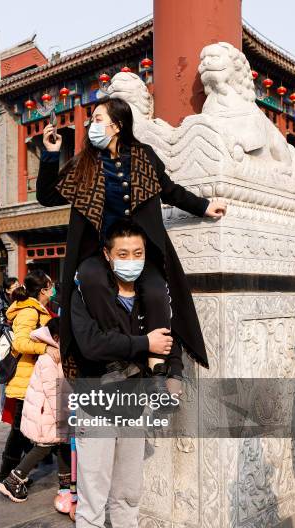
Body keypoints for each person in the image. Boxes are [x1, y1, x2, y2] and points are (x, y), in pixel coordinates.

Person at [36, 96, 227, 389]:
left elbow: (170, 190)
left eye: (98, 119)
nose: (91, 125)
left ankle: (160, 361)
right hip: (100, 251)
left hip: (141, 250)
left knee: (155, 291)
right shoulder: (84, 163)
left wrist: (203, 207)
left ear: (117, 125)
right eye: (92, 120)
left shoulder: (143, 156)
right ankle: (116, 360)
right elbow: (47, 196)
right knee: (90, 278)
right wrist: (51, 153)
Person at [70, 221, 173, 528]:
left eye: (138, 254)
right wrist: (142, 344)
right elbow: (91, 344)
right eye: (123, 254)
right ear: (108, 256)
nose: (131, 261)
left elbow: (167, 341)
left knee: (129, 486)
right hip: (96, 403)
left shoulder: (149, 295)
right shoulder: (89, 294)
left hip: (133, 402)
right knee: (93, 497)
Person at [0, 317, 71, 505]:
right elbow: (53, 391)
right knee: (43, 447)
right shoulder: (48, 359)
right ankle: (13, 479)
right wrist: (62, 417)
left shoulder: (56, 355)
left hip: (49, 411)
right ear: (56, 337)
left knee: (62, 444)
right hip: (46, 412)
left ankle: (66, 485)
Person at [0, 270, 57, 484]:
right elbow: (20, 343)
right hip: (25, 377)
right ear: (43, 289)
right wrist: (45, 349)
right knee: (19, 430)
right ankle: (6, 475)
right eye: (51, 286)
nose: (53, 289)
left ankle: (18, 470)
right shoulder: (29, 311)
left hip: (34, 377)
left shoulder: (39, 309)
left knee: (25, 428)